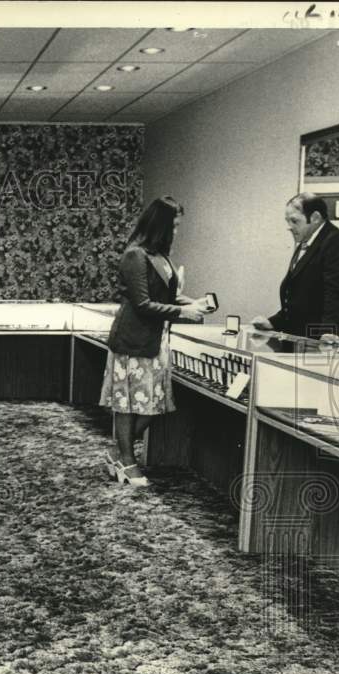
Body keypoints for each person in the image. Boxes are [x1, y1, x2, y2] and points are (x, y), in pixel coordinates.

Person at [100, 196, 207, 487]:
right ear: (161, 225)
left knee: (152, 405)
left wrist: (193, 303)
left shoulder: (161, 257)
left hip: (155, 341)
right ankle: (127, 459)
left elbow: (166, 298)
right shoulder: (135, 255)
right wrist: (183, 311)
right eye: (174, 225)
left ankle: (118, 452)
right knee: (127, 403)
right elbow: (143, 304)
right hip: (132, 341)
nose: (177, 231)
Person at [252, 192, 339, 345]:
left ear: (315, 218)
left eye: (294, 221)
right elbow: (301, 298)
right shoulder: (306, 243)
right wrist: (273, 323)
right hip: (303, 340)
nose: (289, 227)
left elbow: (337, 295)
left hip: (327, 343)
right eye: (288, 221)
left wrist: (329, 332)